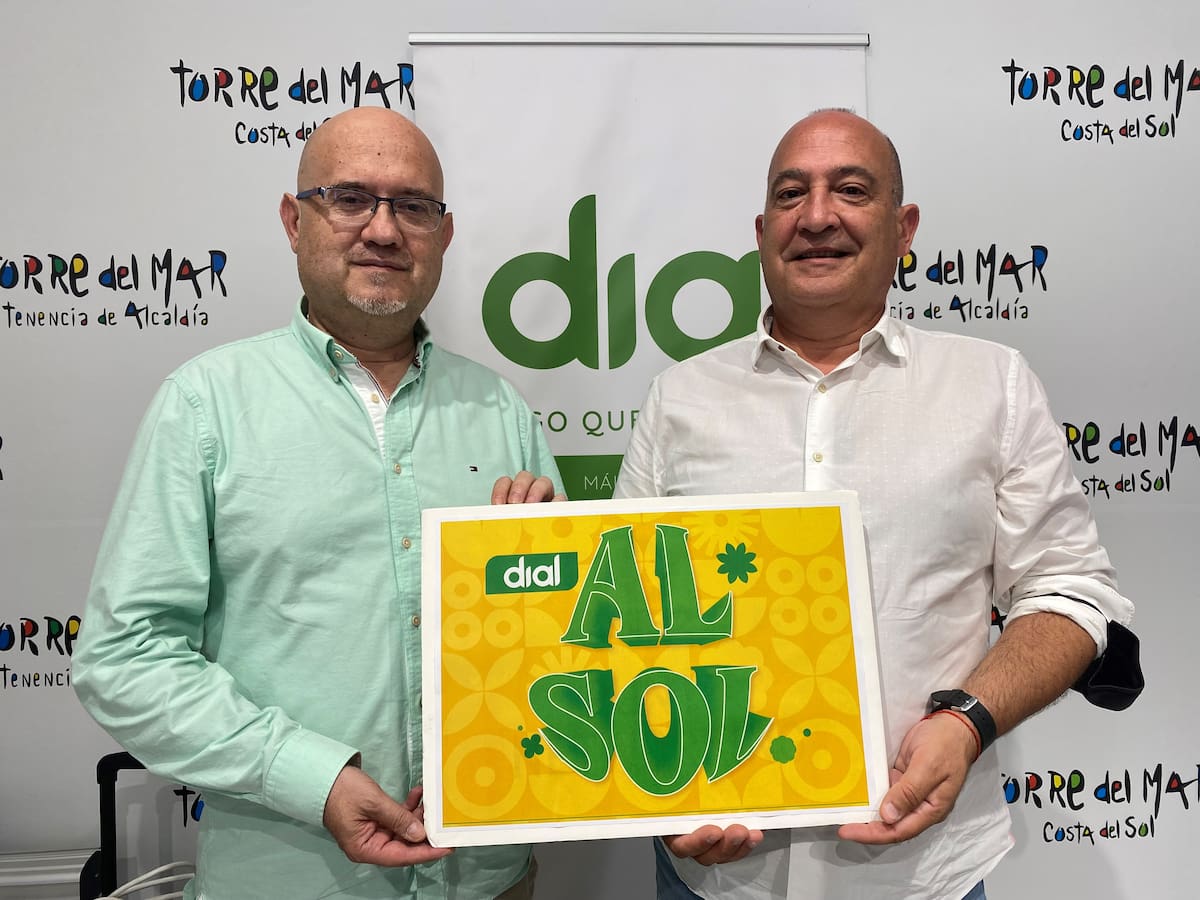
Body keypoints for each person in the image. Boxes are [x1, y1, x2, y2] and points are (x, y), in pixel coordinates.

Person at [613, 109, 1133, 900]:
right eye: (791, 193)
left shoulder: (992, 385)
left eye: (851, 190)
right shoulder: (678, 398)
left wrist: (967, 721)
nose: (817, 216)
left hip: (924, 875)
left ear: (903, 227)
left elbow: (1071, 591)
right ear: (762, 231)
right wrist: (660, 790)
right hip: (715, 874)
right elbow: (623, 621)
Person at [73, 107, 563, 900]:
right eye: (350, 198)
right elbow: (125, 659)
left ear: (443, 234)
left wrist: (547, 580)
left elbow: (561, 650)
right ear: (293, 221)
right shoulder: (205, 405)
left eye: (413, 207)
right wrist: (312, 775)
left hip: (488, 879)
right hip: (293, 880)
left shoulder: (500, 410)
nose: (384, 230)